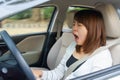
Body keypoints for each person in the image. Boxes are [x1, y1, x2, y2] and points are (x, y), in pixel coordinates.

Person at [32, 9, 112, 80]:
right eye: (74, 24)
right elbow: (58, 73)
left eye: (79, 25)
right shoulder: (73, 46)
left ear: (92, 29)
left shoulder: (102, 56)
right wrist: (39, 74)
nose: (74, 28)